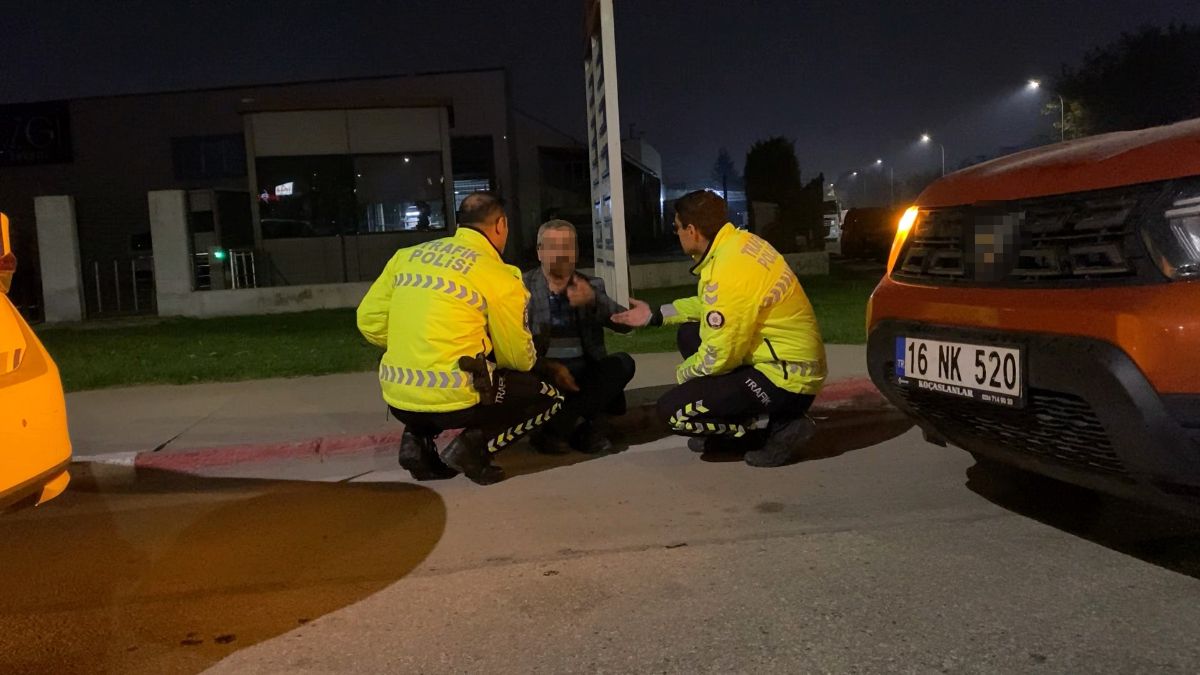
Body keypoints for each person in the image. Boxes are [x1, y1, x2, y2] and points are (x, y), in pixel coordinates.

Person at [357, 192, 578, 485]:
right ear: (500, 225)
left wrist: (414, 343)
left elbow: (368, 321)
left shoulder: (406, 257)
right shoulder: (499, 275)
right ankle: (472, 450)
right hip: (458, 400)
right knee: (549, 397)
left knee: (434, 394)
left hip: (398, 397)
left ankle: (415, 443)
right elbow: (518, 358)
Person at [611, 190, 827, 467]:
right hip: (786, 361)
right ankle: (740, 416)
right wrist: (656, 314)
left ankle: (783, 428)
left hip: (787, 379)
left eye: (676, 228)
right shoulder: (737, 244)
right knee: (689, 334)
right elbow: (710, 305)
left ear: (692, 230)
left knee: (672, 413)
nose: (676, 234)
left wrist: (685, 375)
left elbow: (719, 356)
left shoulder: (728, 269)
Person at [522, 220, 637, 454]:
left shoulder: (590, 285)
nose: (561, 253)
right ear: (540, 252)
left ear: (575, 252)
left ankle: (556, 430)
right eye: (554, 246)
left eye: (567, 246)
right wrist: (547, 366)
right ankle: (584, 431)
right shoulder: (522, 287)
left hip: (584, 370)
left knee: (623, 363)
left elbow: (625, 325)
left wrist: (594, 301)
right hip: (544, 371)